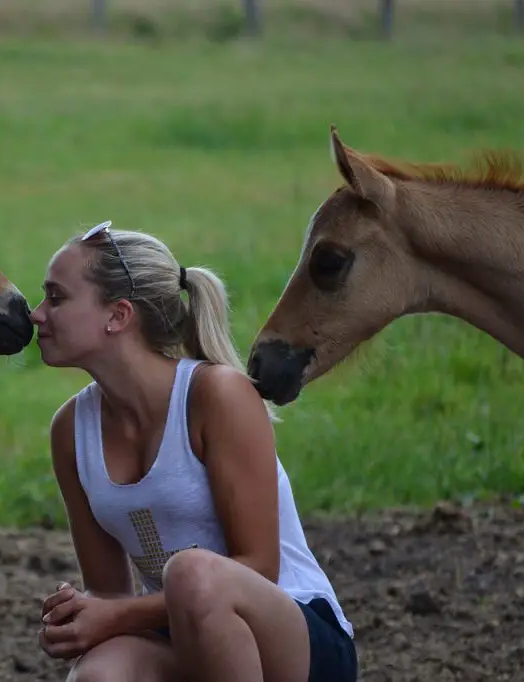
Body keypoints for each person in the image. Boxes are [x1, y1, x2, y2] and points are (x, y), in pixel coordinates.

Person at [27, 221, 357, 682]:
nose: (37, 314)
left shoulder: (217, 395)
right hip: (177, 633)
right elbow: (108, 595)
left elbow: (260, 566)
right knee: (100, 675)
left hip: (294, 637)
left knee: (193, 574)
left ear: (118, 315)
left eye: (56, 297)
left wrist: (115, 617)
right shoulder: (71, 430)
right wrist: (79, 617)